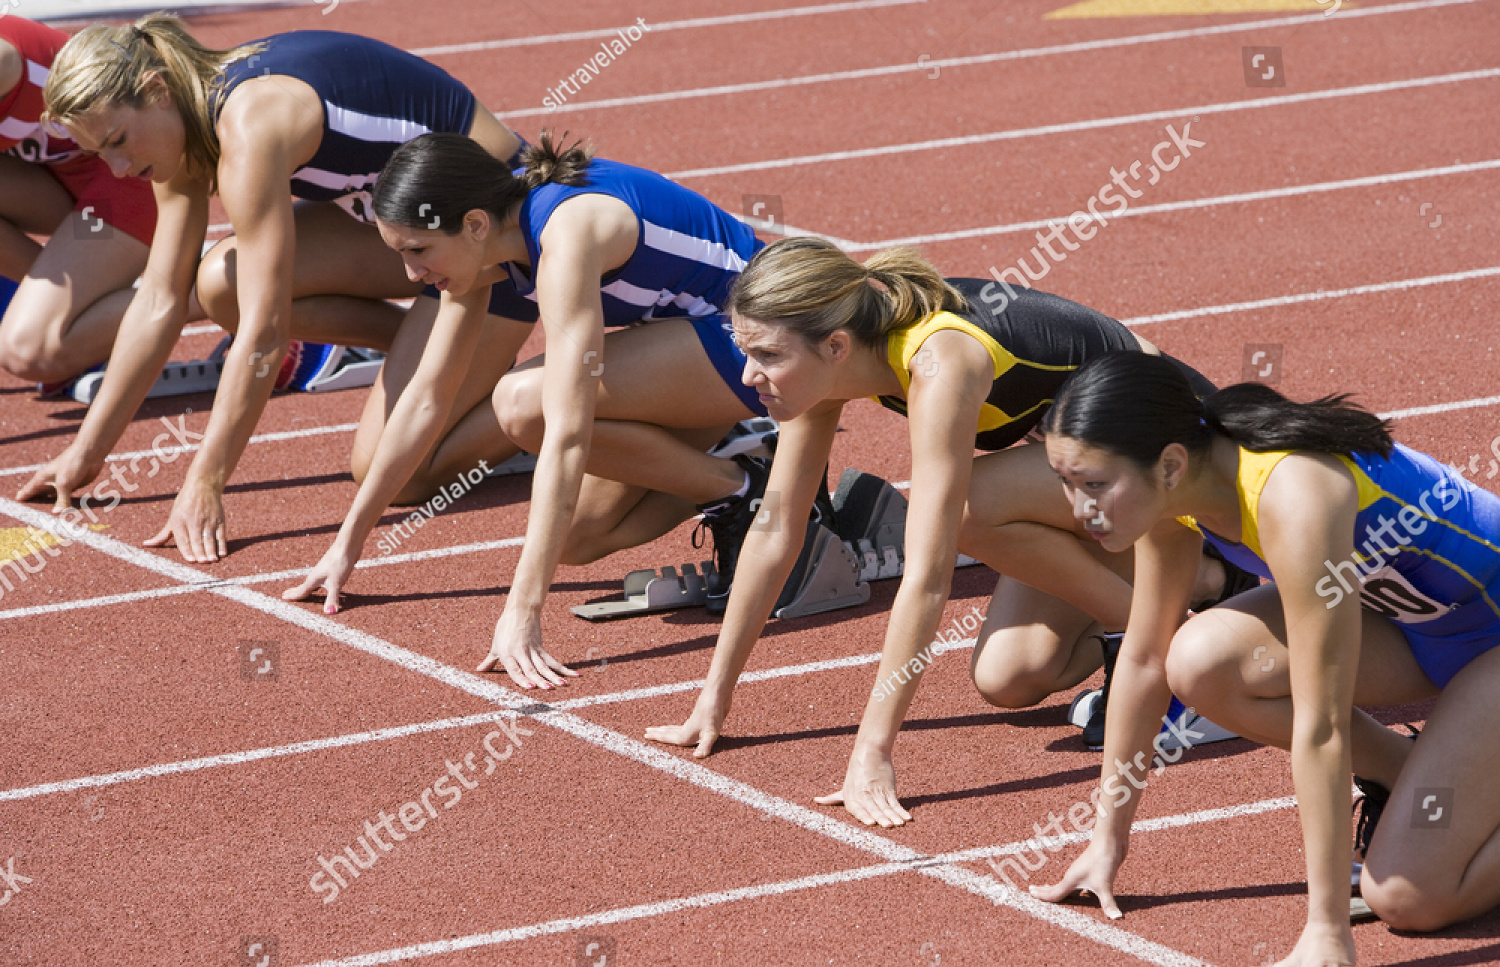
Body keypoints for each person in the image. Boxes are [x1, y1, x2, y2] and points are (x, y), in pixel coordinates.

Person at [644, 238, 1243, 826]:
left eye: (768, 355)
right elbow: (776, 529)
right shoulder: (827, 372)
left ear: (835, 346)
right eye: (743, 349)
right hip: (1091, 484)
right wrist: (712, 700)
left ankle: (1187, 629)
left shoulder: (939, 359)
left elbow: (928, 578)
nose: (749, 375)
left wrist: (872, 753)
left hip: (1176, 460)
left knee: (961, 510)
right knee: (1011, 677)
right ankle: (1199, 597)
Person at [1031, 351, 1500, 967]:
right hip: (1428, 633)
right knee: (1198, 660)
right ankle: (1412, 771)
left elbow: (1322, 725)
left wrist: (1327, 927)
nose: (1079, 507)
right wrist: (1107, 842)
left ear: (1169, 463)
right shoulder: (1174, 496)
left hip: (1489, 644)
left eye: (1092, 483)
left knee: (1403, 896)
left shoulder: (1294, 495)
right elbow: (1143, 659)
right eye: (1064, 480)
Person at [285, 132, 794, 690]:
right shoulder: (483, 254)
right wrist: (348, 543)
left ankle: (749, 477)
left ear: (475, 224)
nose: (409, 275)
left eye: (418, 250)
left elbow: (568, 433)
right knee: (575, 540)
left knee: (523, 404)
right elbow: (428, 396)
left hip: (764, 338)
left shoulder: (566, 238)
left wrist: (523, 610)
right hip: (695, 349)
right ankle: (742, 486)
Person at [21, 15, 525, 561]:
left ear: (157, 90)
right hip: (413, 237)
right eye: (101, 154)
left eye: (118, 140)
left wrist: (206, 480)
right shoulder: (187, 123)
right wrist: (86, 452)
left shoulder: (252, 124)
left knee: (393, 474)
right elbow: (160, 300)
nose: (117, 169)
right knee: (221, 285)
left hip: (492, 239)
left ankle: (539, 404)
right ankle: (442, 352)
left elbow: (265, 333)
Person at [0, 14, 156, 388]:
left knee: (27, 350)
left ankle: (224, 291)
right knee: (43, 332)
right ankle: (80, 311)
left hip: (129, 175)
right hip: (65, 179)